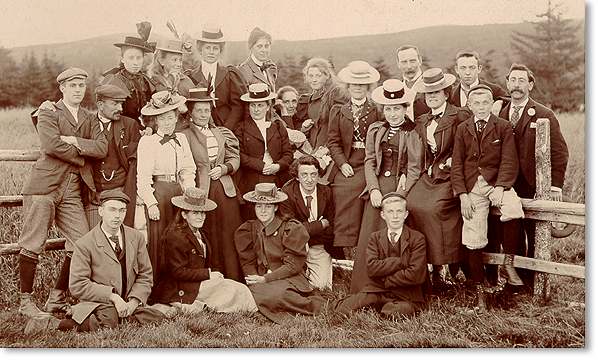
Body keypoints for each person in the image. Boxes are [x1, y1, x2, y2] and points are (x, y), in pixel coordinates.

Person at [17, 68, 108, 317]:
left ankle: (56, 298)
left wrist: (76, 142)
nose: (78, 90)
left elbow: (101, 147)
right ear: (63, 88)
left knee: (80, 245)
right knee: (33, 242)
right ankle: (25, 302)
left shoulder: (90, 119)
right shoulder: (48, 111)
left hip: (73, 191)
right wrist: (81, 158)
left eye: (81, 85)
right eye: (73, 85)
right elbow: (50, 144)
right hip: (44, 186)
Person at [23, 190, 168, 334]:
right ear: (101, 211)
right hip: (99, 302)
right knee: (109, 320)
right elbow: (77, 285)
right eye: (112, 210)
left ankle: (121, 316)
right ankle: (53, 324)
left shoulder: (136, 237)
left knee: (157, 317)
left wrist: (133, 302)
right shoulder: (84, 243)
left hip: (127, 301)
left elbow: (145, 275)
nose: (117, 216)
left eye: (122, 210)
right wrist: (112, 297)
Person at [451, 84, 525, 311]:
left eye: (485, 103)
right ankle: (480, 290)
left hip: (496, 184)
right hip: (473, 186)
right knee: (473, 235)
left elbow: (509, 160)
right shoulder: (463, 128)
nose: (481, 107)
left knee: (513, 208)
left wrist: (502, 187)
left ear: (492, 104)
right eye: (477, 103)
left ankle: (508, 264)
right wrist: (463, 194)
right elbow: (457, 164)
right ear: (470, 105)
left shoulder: (503, 127)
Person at [498, 63, 569, 288]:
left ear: (530, 85)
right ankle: (515, 281)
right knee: (512, 233)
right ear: (507, 83)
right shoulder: (500, 112)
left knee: (535, 233)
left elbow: (560, 151)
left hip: (534, 185)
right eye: (513, 80)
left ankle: (535, 282)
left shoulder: (543, 113)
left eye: (522, 80)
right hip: (508, 185)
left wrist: (555, 186)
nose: (516, 85)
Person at [350, 79, 422, 294]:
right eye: (388, 109)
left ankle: (396, 286)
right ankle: (366, 285)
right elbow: (369, 161)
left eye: (397, 109)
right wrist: (373, 189)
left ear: (404, 109)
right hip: (379, 185)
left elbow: (415, 168)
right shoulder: (376, 129)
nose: (392, 114)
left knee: (395, 223)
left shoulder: (413, 132)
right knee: (371, 230)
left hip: (401, 187)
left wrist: (400, 195)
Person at [407, 68, 471, 289]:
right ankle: (423, 266)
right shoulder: (422, 120)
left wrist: (455, 159)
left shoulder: (459, 115)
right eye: (428, 94)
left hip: (453, 176)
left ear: (446, 93)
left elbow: (470, 144)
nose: (432, 97)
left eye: (436, 93)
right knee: (411, 204)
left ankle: (442, 265)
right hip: (431, 174)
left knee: (433, 209)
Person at [152, 187, 258, 313]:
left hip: (196, 282)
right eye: (195, 213)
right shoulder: (175, 236)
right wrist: (208, 274)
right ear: (184, 214)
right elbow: (177, 272)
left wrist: (213, 274)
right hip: (178, 286)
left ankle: (247, 308)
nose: (200, 217)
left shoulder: (199, 232)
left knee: (234, 287)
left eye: (202, 213)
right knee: (233, 289)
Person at [234, 183, 325, 323]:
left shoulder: (290, 228)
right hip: (261, 279)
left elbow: (293, 266)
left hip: (287, 277)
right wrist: (254, 280)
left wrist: (267, 279)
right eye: (259, 206)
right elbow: (247, 262)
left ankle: (314, 307)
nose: (263, 211)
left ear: (276, 207)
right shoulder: (247, 230)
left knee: (279, 294)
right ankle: (267, 299)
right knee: (251, 292)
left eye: (268, 206)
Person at [180, 87, 244, 281]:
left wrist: (224, 169)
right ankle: (213, 278)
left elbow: (235, 157)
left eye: (207, 110)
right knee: (208, 233)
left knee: (228, 233)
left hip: (225, 189)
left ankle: (234, 277)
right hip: (201, 190)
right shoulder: (184, 135)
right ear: (190, 112)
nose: (203, 114)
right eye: (199, 110)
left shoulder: (221, 132)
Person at [333, 193, 427, 318]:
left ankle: (384, 308)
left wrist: (386, 280)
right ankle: (376, 304)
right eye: (390, 212)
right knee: (344, 309)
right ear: (383, 215)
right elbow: (372, 268)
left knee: (394, 313)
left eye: (399, 211)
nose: (395, 216)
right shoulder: (375, 237)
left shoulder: (417, 238)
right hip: (377, 291)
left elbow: (416, 275)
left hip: (406, 293)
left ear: (406, 214)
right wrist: (399, 262)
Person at [136, 91, 196, 283]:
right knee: (159, 239)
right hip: (160, 192)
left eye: (170, 117)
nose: (167, 122)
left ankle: (179, 283)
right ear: (156, 120)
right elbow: (143, 177)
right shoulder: (148, 141)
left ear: (176, 117)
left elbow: (188, 169)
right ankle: (156, 286)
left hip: (178, 192)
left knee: (179, 236)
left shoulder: (182, 139)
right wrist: (151, 203)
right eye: (162, 118)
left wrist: (189, 191)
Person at [327, 60, 381, 258]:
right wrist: (342, 163)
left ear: (368, 87)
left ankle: (366, 246)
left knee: (366, 192)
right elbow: (332, 142)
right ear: (348, 86)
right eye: (354, 84)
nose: (358, 88)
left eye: (362, 84)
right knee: (342, 190)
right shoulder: (338, 111)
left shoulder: (377, 110)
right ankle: (346, 248)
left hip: (370, 162)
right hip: (348, 162)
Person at [85, 84, 142, 228]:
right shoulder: (86, 123)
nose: (120, 108)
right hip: (94, 195)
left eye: (121, 103)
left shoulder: (130, 125)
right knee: (95, 239)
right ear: (100, 104)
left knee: (121, 236)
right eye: (114, 103)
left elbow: (136, 163)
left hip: (121, 192)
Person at [234, 83, 293, 221]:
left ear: (268, 107)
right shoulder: (241, 128)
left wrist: (278, 166)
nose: (256, 109)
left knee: (280, 216)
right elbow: (239, 155)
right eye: (252, 105)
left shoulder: (278, 126)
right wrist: (261, 166)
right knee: (254, 217)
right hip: (252, 178)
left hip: (278, 177)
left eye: (260, 105)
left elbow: (288, 153)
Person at [279, 155, 339, 290]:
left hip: (318, 246)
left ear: (318, 175)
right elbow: (291, 229)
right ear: (296, 176)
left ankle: (317, 268)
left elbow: (332, 225)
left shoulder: (326, 191)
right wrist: (320, 225)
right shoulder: (287, 193)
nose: (309, 179)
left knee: (321, 286)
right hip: (294, 246)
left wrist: (309, 231)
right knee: (293, 284)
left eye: (313, 174)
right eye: (304, 175)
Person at [184, 25, 246, 131]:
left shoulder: (229, 74)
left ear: (220, 51)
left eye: (215, 48)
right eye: (207, 48)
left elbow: (238, 106)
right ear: (200, 49)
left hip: (228, 128)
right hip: (200, 129)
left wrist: (226, 129)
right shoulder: (191, 76)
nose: (211, 52)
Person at [101, 34, 156, 125]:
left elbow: (151, 109)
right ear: (122, 59)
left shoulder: (145, 81)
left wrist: (150, 127)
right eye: (131, 58)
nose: (135, 63)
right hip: (120, 126)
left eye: (139, 58)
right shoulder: (115, 81)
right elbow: (109, 114)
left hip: (142, 127)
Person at [296, 57, 346, 149]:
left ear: (327, 76)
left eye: (318, 76)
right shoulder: (311, 97)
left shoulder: (335, 93)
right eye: (311, 76)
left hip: (330, 147)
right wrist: (304, 128)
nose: (314, 80)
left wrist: (327, 148)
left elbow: (341, 126)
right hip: (314, 146)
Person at [395, 45, 430, 120]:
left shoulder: (431, 85)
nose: (409, 66)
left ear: (420, 61)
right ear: (398, 64)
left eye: (412, 61)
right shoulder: (396, 88)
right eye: (404, 62)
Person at [238, 27, 277, 92]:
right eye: (259, 46)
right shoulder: (243, 70)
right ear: (251, 47)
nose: (264, 50)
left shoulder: (271, 67)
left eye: (266, 46)